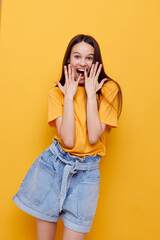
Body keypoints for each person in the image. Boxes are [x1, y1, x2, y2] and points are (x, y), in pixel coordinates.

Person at [12, 34, 122, 240]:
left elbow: (94, 137)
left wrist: (91, 94)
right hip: (53, 167)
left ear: (96, 62)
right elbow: (69, 141)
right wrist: (69, 96)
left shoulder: (108, 90)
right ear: (68, 61)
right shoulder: (58, 94)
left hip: (86, 175)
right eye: (77, 57)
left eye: (89, 58)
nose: (83, 63)